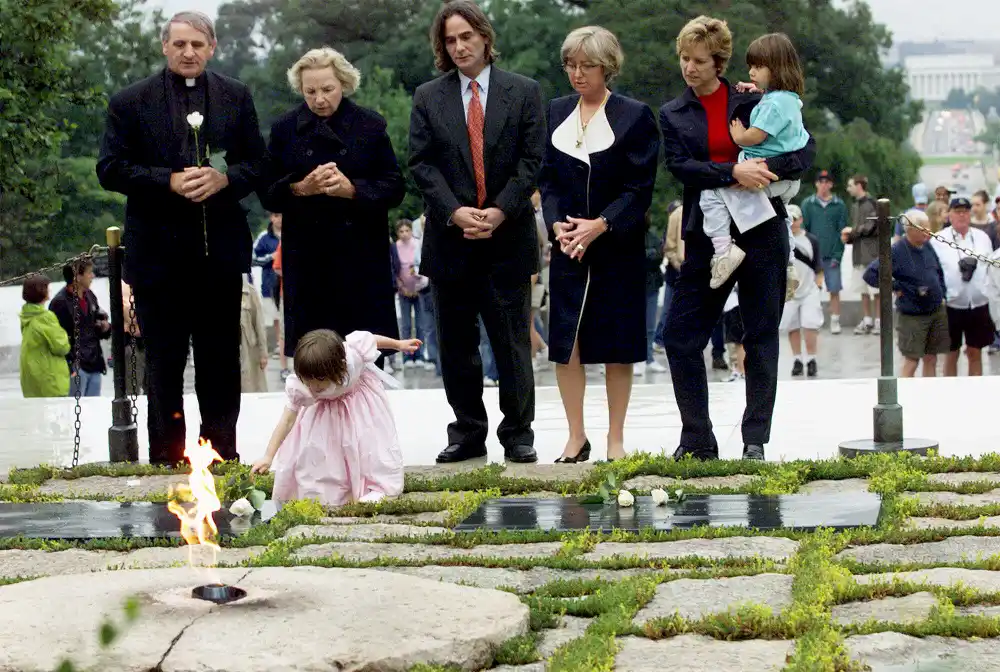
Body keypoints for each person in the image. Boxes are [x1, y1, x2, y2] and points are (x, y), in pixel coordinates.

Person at [96, 10, 267, 464]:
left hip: (219, 256)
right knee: (163, 366)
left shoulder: (235, 94)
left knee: (220, 363)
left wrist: (225, 178)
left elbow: (259, 163)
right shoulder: (130, 101)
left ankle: (221, 457)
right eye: (179, 44)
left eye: (197, 44)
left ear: (212, 47)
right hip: (158, 258)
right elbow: (110, 168)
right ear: (164, 47)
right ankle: (167, 459)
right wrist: (167, 181)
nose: (188, 52)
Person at [658, 15, 815, 462]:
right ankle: (697, 438)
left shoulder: (755, 98)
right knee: (680, 336)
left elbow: (804, 150)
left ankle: (754, 440)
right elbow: (680, 167)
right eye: (684, 59)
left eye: (699, 60)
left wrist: (763, 171)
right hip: (708, 235)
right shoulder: (672, 113)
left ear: (719, 62)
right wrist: (732, 172)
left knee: (761, 334)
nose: (689, 68)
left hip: (764, 228)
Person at [408, 0, 545, 464]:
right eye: (450, 40)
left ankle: (518, 433)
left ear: (485, 37)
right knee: (456, 346)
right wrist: (454, 212)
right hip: (451, 240)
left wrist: (502, 210)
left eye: (467, 36)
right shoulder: (428, 96)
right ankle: (467, 432)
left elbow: (532, 159)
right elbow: (421, 164)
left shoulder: (523, 91)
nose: (459, 46)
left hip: (508, 238)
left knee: (511, 344)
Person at [538, 25, 659, 463]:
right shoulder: (555, 111)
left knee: (616, 346)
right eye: (570, 65)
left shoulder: (635, 115)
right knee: (566, 344)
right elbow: (548, 181)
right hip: (569, 247)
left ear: (607, 67)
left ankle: (615, 439)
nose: (577, 73)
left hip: (616, 249)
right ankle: (575, 436)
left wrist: (601, 224)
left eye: (586, 65)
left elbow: (638, 189)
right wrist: (557, 225)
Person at [264, 47, 404, 365]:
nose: (319, 99)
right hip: (308, 263)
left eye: (327, 89)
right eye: (310, 91)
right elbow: (267, 192)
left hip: (361, 261)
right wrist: (301, 188)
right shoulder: (284, 129)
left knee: (365, 360)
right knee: (314, 362)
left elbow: (395, 187)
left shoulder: (370, 125)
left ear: (344, 83)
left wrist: (352, 190)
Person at [250, 329, 420, 506]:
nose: (313, 386)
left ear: (338, 367)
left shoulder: (353, 356)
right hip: (324, 420)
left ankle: (376, 487)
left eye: (319, 381)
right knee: (319, 458)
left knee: (369, 448)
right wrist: (268, 456)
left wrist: (399, 345)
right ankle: (325, 494)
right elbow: (286, 421)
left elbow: (372, 340)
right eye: (308, 381)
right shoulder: (301, 386)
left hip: (359, 411)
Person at [698, 32, 809, 290]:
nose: (751, 72)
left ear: (777, 69)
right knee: (782, 216)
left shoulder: (774, 104)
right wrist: (760, 92)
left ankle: (723, 250)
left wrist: (740, 136)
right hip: (787, 181)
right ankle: (789, 264)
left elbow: (757, 134)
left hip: (766, 174)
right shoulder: (789, 98)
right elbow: (777, 109)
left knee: (711, 193)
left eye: (758, 67)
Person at [864, 210, 949, 378]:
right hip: (913, 315)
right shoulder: (897, 250)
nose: (927, 231)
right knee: (912, 360)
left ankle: (929, 391)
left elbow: (938, 271)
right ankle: (904, 391)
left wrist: (942, 292)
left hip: (935, 310)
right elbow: (870, 274)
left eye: (928, 227)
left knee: (931, 358)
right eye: (922, 228)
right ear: (910, 229)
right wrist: (896, 287)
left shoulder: (927, 245)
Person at [931, 197, 995, 377]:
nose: (962, 215)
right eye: (957, 211)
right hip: (951, 305)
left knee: (975, 352)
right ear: (950, 215)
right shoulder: (939, 240)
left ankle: (975, 389)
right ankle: (950, 389)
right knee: (951, 353)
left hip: (978, 303)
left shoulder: (982, 237)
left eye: (965, 211)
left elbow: (991, 268)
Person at [49, 260, 110, 397]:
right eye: (89, 273)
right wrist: (70, 364)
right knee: (75, 406)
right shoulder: (60, 303)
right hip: (76, 364)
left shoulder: (89, 295)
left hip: (94, 362)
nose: (92, 276)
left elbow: (94, 322)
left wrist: (104, 327)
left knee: (93, 405)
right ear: (77, 276)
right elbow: (58, 337)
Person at [800, 170, 848, 334]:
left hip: (832, 255)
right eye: (821, 181)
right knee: (813, 291)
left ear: (831, 184)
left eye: (827, 182)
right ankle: (814, 321)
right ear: (816, 184)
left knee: (834, 289)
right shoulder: (808, 204)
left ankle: (835, 321)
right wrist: (806, 256)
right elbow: (804, 231)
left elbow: (843, 232)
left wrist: (838, 256)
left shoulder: (839, 205)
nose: (824, 185)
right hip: (814, 257)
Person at [780, 204, 823, 377]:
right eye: (789, 219)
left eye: (795, 219)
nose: (792, 223)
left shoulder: (811, 240)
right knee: (792, 325)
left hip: (809, 289)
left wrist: (818, 284)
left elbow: (818, 265)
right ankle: (797, 359)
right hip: (789, 291)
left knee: (810, 324)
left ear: (801, 220)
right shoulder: (781, 239)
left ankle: (811, 359)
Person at [19, 275, 71, 398]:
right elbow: (61, 347)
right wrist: (65, 336)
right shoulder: (45, 317)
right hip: (50, 378)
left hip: (31, 378)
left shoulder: (26, 315)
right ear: (41, 291)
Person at [841, 175, 880, 335]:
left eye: (850, 185)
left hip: (872, 255)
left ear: (859, 186)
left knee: (876, 291)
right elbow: (859, 229)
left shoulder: (873, 203)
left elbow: (871, 226)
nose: (848, 189)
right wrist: (849, 237)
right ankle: (867, 320)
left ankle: (879, 321)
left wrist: (852, 231)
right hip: (858, 254)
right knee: (862, 289)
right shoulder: (854, 205)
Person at [394, 219, 430, 368]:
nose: (404, 234)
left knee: (421, 325)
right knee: (406, 325)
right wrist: (402, 287)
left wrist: (417, 288)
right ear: (397, 233)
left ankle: (419, 355)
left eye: (407, 230)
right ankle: (407, 357)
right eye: (401, 231)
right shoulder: (395, 247)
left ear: (411, 230)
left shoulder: (417, 244)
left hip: (419, 290)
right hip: (403, 291)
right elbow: (394, 268)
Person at [253, 212, 283, 353]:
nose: (280, 219)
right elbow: (252, 259)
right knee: (276, 316)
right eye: (276, 215)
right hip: (270, 284)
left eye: (282, 215)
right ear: (271, 217)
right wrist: (271, 257)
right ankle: (279, 343)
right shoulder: (264, 237)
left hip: (288, 285)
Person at [239, 276, 268, 393]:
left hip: (249, 354)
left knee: (252, 390)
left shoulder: (250, 292)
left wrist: (263, 353)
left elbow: (259, 325)